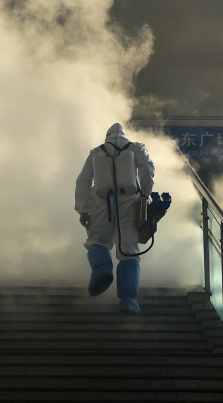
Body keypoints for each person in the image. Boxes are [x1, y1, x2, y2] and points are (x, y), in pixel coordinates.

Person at [74, 123, 155, 313]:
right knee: (128, 249)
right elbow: (148, 170)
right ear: (124, 135)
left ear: (106, 136)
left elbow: (82, 181)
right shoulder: (137, 147)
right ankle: (128, 300)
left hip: (101, 202)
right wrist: (144, 195)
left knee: (98, 240)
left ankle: (101, 270)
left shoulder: (96, 152)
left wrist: (83, 210)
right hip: (129, 202)